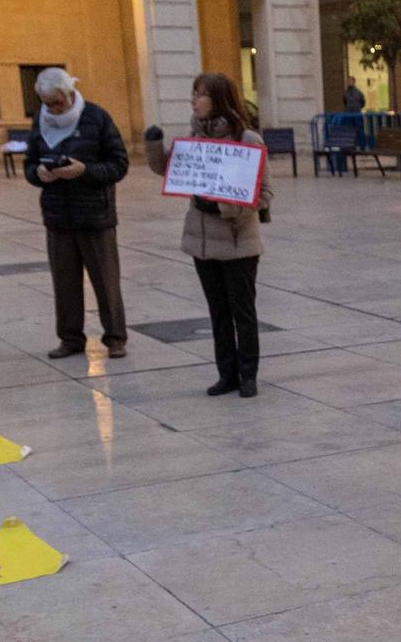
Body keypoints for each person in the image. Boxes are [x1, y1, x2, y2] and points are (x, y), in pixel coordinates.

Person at [144, 72, 272, 398]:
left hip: (237, 243)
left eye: (200, 94)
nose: (194, 101)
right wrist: (154, 145)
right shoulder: (194, 139)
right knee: (217, 314)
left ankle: (248, 374)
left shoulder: (247, 140)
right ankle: (225, 373)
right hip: (202, 243)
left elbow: (264, 194)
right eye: (193, 94)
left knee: (242, 312)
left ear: (219, 99)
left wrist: (223, 208)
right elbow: (169, 170)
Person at [24, 67, 130, 360]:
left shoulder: (96, 117)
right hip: (58, 217)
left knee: (106, 281)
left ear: (70, 94)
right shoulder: (41, 122)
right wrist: (40, 174)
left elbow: (119, 164)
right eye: (47, 103)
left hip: (95, 216)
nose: (53, 108)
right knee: (65, 283)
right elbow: (29, 165)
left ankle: (116, 338)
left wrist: (85, 171)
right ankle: (70, 338)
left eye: (57, 102)